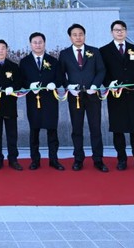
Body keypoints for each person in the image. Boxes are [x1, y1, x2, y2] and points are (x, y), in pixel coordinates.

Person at [99, 21, 134, 172]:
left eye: (122, 30)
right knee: (119, 129)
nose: (119, 32)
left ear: (126, 32)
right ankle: (121, 159)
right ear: (112, 33)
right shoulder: (104, 51)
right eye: (116, 30)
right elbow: (102, 71)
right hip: (116, 95)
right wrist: (109, 83)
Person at [58, 24, 108, 172]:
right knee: (77, 128)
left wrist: (95, 85)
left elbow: (101, 70)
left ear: (84, 35)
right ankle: (78, 158)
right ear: (70, 37)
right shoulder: (65, 54)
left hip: (93, 96)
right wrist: (68, 86)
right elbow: (61, 74)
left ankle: (98, 159)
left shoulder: (94, 51)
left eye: (81, 34)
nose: (78, 37)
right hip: (76, 97)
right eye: (75, 34)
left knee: (95, 128)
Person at [18, 32, 64, 170]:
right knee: (34, 131)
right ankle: (35, 160)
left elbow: (60, 78)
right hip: (33, 100)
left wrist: (54, 84)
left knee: (52, 131)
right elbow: (21, 80)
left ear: (44, 43)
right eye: (35, 42)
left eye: (40, 42)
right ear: (30, 44)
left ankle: (54, 160)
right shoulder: (25, 62)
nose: (38, 45)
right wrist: (29, 86)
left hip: (50, 100)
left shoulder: (53, 60)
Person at [0, 39, 25, 171]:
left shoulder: (14, 66)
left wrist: (12, 88)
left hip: (10, 104)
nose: (1, 50)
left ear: (7, 50)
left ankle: (13, 158)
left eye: (3, 48)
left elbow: (19, 82)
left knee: (12, 133)